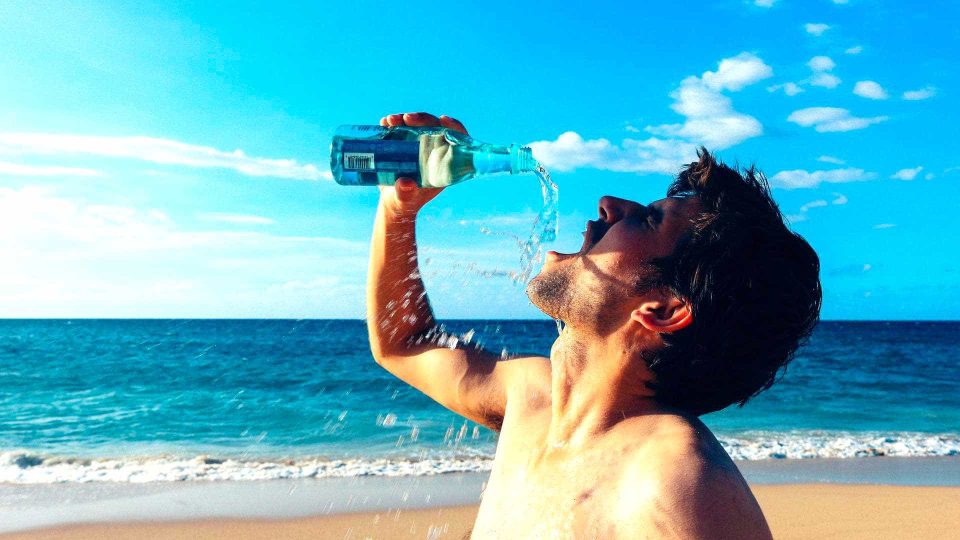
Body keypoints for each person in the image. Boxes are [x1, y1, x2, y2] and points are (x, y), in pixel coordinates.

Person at [367, 112, 821, 539]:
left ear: (663, 310)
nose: (608, 205)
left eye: (647, 219)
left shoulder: (677, 482)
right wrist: (398, 210)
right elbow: (403, 343)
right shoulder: (531, 397)